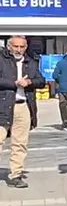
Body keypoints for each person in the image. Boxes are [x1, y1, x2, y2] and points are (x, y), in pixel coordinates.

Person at [0, 36, 47, 188]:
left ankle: (16, 174)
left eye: (22, 47)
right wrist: (13, 83)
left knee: (20, 143)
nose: (19, 50)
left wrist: (29, 82)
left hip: (23, 106)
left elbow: (42, 81)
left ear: (26, 47)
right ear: (9, 47)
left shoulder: (31, 62)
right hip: (3, 105)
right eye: (16, 46)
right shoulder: (2, 60)